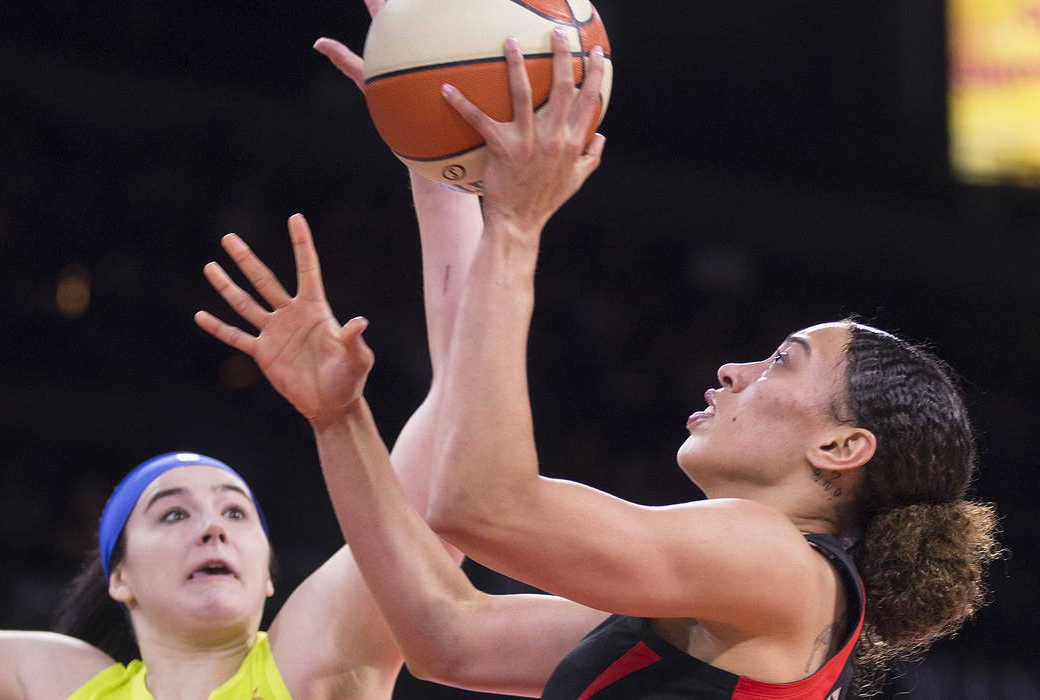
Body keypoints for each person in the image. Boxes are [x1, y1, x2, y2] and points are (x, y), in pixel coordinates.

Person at [295, 20, 1000, 700]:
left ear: (843, 445)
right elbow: (446, 635)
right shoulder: (731, 604)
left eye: (782, 362)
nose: (735, 370)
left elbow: (482, 506)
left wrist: (515, 225)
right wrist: (339, 419)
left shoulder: (778, 560)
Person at [0, 153, 478, 699]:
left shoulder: (310, 662)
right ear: (119, 578)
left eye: (236, 512)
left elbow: (463, 408)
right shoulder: (71, 682)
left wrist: (439, 164)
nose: (212, 528)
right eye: (173, 513)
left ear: (269, 576)